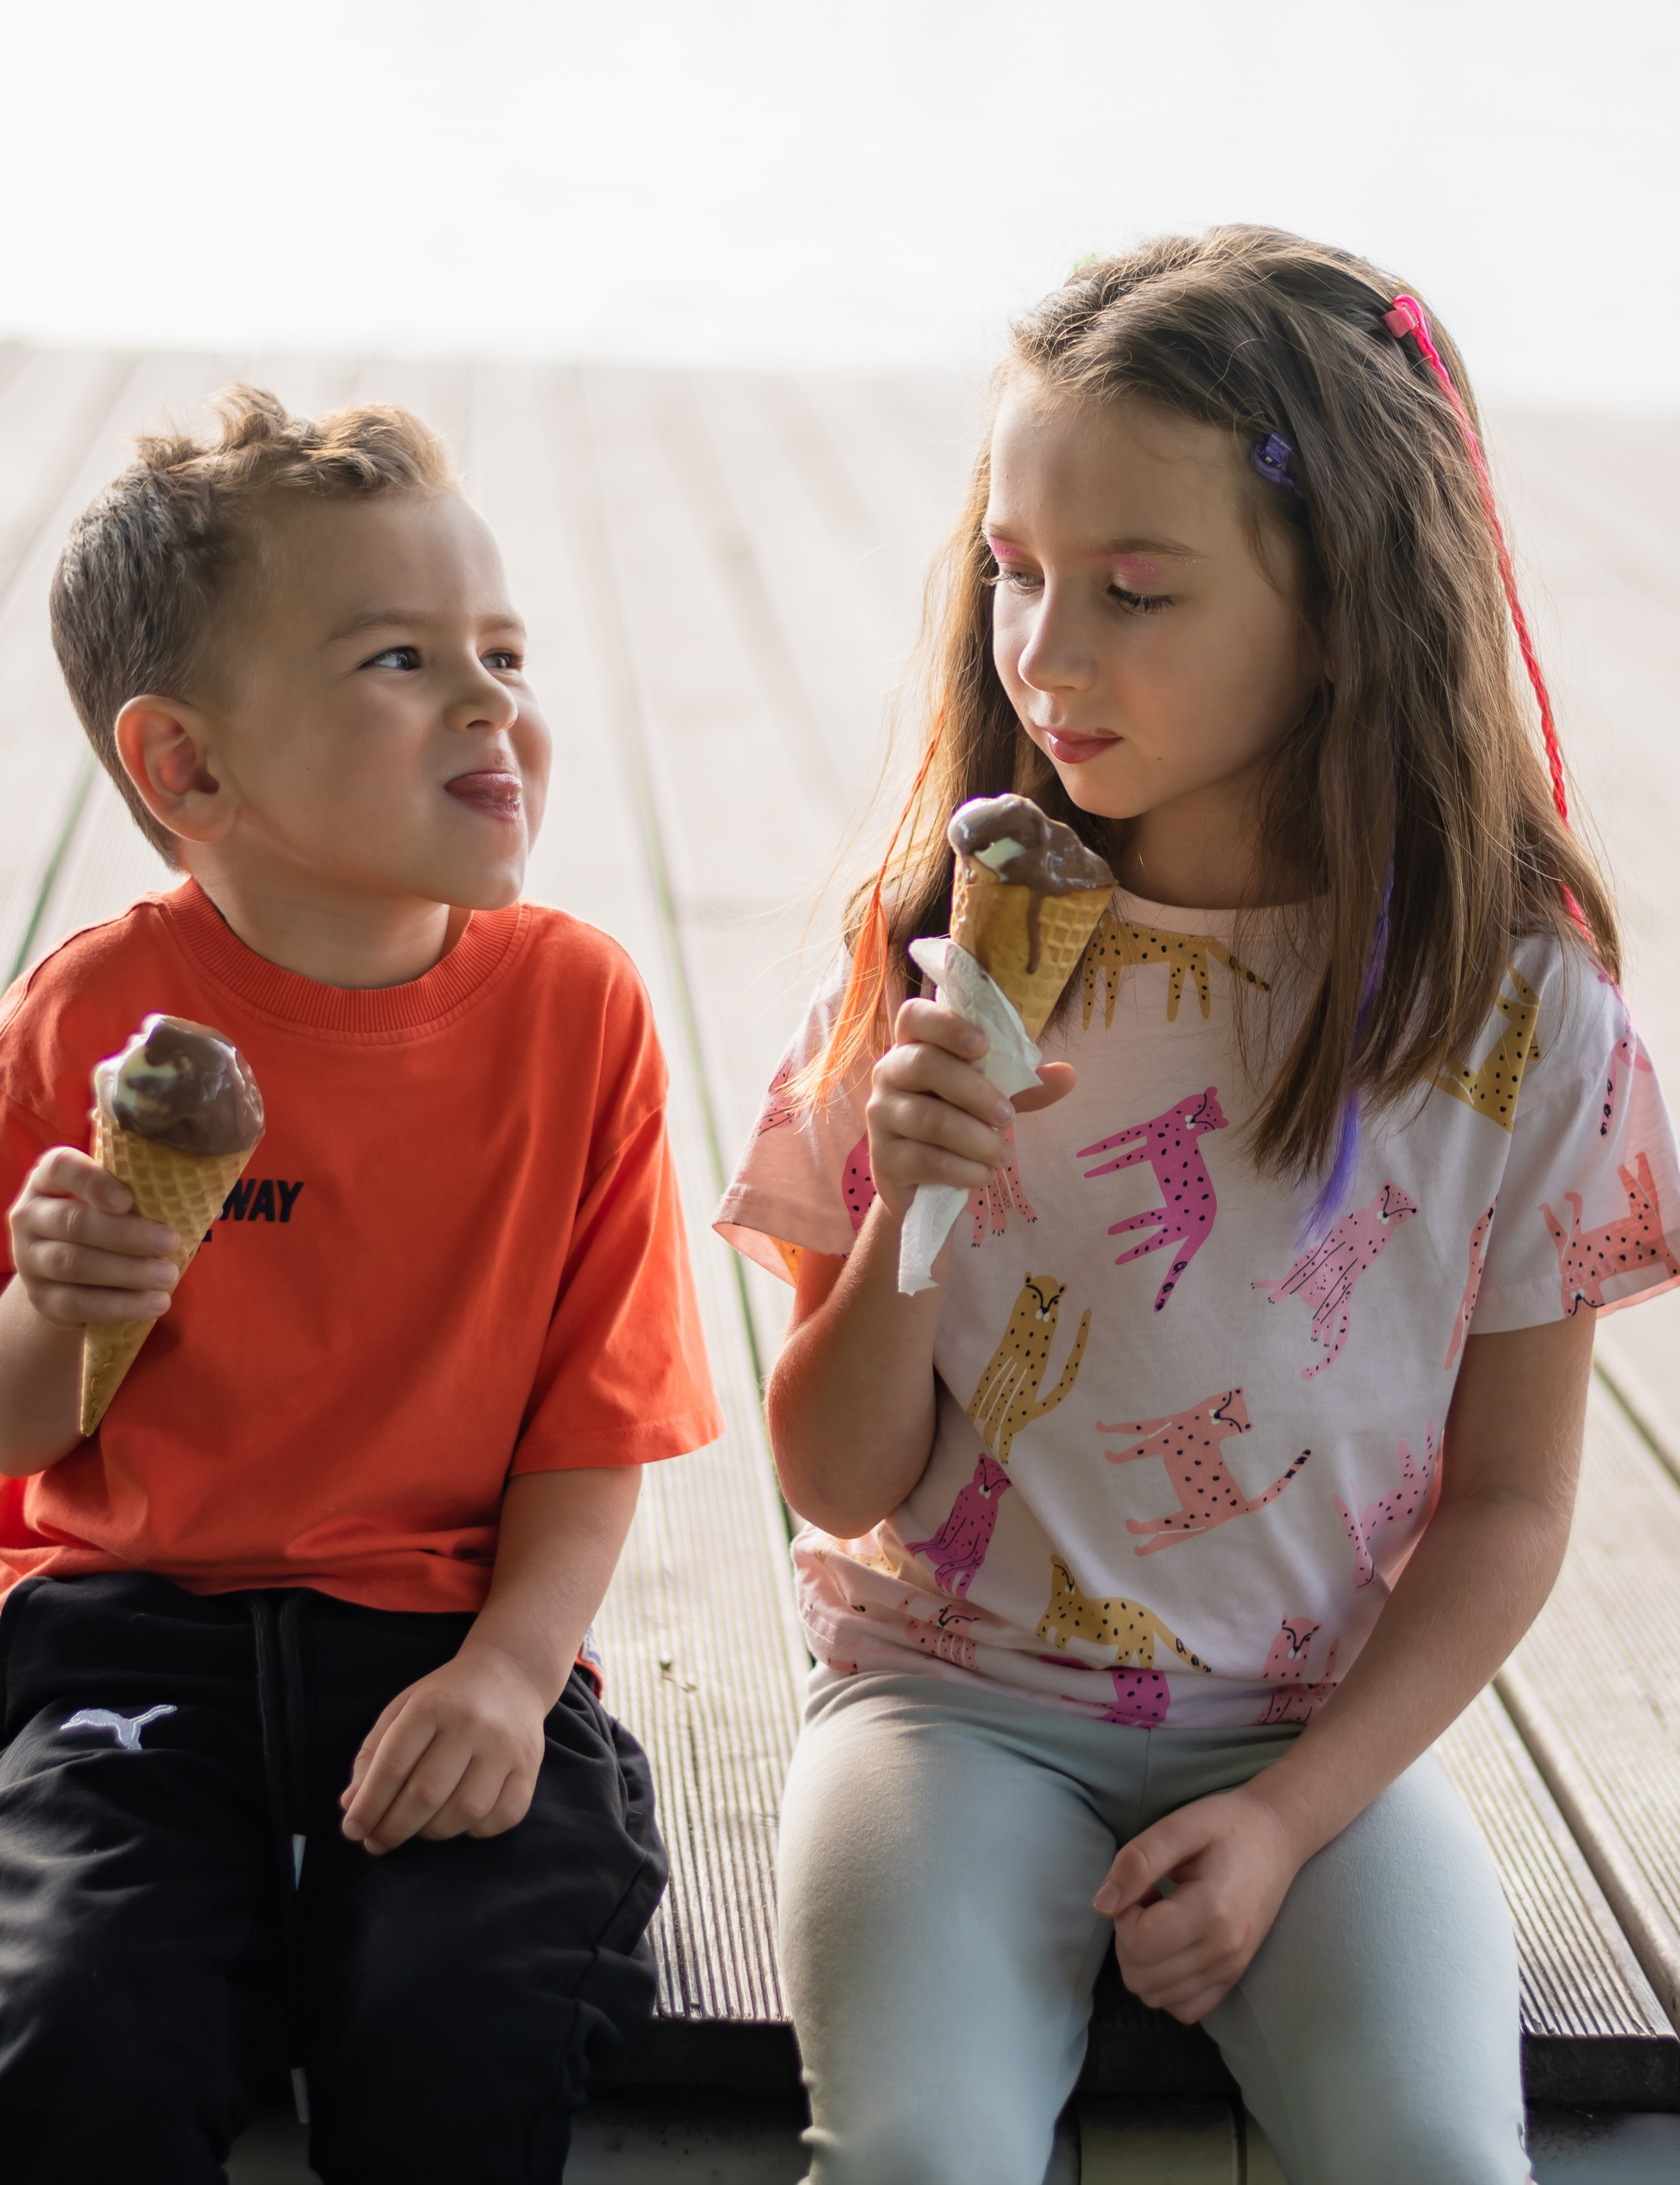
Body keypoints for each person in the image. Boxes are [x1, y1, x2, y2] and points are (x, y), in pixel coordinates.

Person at [715, 226, 1680, 2185]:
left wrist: (1290, 1818)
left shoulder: (1513, 1010)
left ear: (1344, 610)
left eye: (1136, 591)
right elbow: (834, 1477)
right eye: (1015, 570)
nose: (1047, 652)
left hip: (1309, 1736)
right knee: (918, 2158)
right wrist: (909, 1205)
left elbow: (1511, 1507)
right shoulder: (936, 950)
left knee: (1440, 2157)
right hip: (951, 1711)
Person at [0, 389, 721, 2184]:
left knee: (468, 2017)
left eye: (502, 652)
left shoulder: (576, 1012)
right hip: (131, 1636)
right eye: (399, 660)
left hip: (448, 1630)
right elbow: (3, 1420)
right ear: (188, 770)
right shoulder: (89, 1020)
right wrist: (66, 1299)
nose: (488, 703)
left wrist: (512, 1677)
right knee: (85, 2029)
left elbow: (594, 1422)